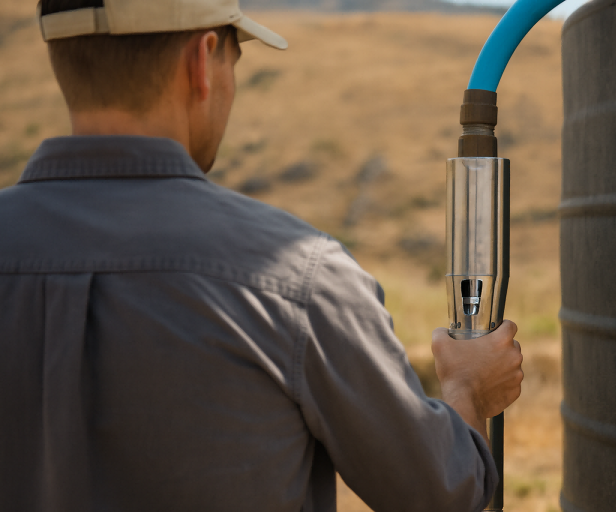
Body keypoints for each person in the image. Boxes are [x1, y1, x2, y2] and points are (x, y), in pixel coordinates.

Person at [0, 0, 524, 511]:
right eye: (235, 56)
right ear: (201, 61)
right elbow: (440, 493)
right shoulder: (298, 279)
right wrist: (469, 390)